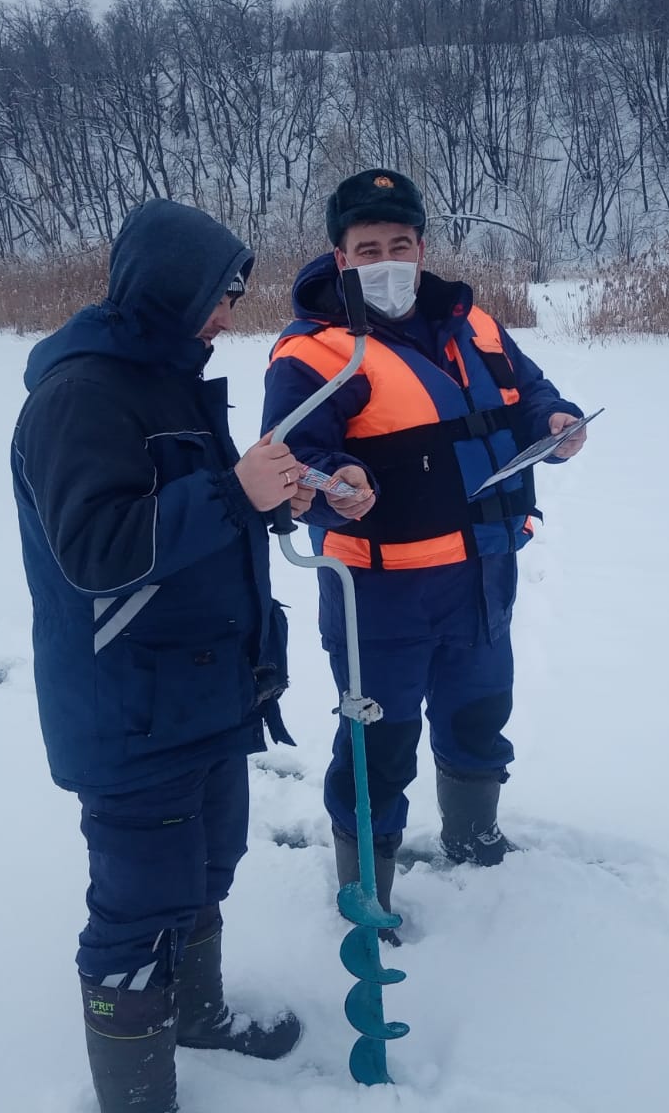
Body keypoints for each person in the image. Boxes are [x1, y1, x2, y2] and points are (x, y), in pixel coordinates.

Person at [12, 199, 309, 1113]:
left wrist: (276, 498)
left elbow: (205, 519)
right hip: (130, 708)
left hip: (206, 691)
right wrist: (232, 491)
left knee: (208, 867)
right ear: (167, 288)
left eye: (234, 293)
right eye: (219, 293)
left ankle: (197, 1015)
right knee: (137, 910)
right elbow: (97, 553)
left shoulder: (171, 376)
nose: (228, 312)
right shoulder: (82, 395)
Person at [261, 169, 588, 940]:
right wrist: (338, 477)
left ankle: (475, 838)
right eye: (366, 247)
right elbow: (293, 454)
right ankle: (365, 891)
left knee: (480, 714)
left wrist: (560, 422)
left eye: (398, 244)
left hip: (484, 575)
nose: (385, 258)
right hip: (380, 595)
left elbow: (532, 394)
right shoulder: (312, 352)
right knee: (380, 742)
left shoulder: (474, 327)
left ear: (421, 246)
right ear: (339, 259)